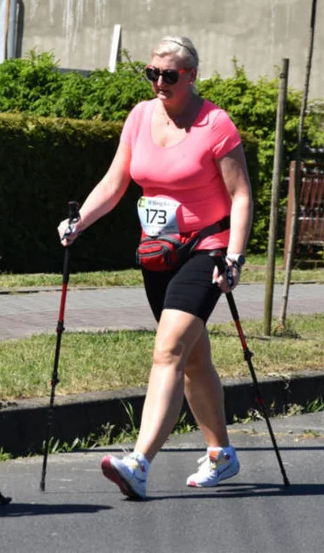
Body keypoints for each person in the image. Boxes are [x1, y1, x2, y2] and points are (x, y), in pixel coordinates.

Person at [58, 35, 253, 499]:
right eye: (152, 73)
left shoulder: (215, 124)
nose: (159, 83)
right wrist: (79, 221)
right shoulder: (141, 116)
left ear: (191, 76)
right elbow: (116, 179)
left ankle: (138, 462)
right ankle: (221, 455)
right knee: (193, 360)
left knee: (168, 351)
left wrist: (234, 257)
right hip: (158, 252)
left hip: (207, 247)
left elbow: (242, 195)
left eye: (169, 75)